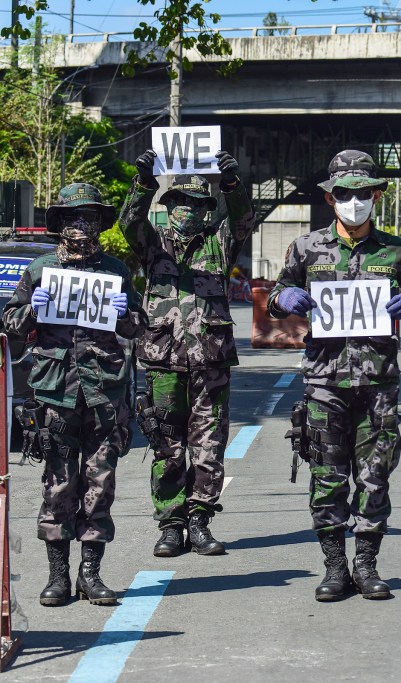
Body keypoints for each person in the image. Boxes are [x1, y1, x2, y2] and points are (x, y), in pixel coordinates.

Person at [268, 150, 401, 602]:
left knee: (374, 477)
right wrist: (284, 299)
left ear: (377, 196)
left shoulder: (398, 250)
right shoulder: (305, 248)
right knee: (327, 477)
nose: (354, 201)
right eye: (344, 193)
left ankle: (366, 565)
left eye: (363, 193)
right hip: (324, 383)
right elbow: (275, 292)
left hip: (378, 386)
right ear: (331, 198)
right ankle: (333, 567)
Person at [3, 183, 146, 606]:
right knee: (58, 485)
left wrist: (125, 314)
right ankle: (58, 577)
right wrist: (33, 308)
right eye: (72, 217)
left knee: (99, 485)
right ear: (59, 223)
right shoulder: (41, 269)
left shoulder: (116, 271)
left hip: (105, 391)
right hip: (55, 392)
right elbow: (10, 321)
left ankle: (91, 574)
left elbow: (138, 326)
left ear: (100, 223)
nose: (80, 224)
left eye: (89, 216)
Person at [120, 149, 255, 557]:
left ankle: (199, 520)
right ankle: (171, 523)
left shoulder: (219, 243)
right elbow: (128, 222)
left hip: (210, 362)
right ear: (169, 206)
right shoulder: (153, 245)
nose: (189, 211)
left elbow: (243, 219)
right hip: (163, 361)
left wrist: (232, 184)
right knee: (166, 443)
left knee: (209, 444)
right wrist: (143, 181)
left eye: (198, 205)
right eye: (181, 203)